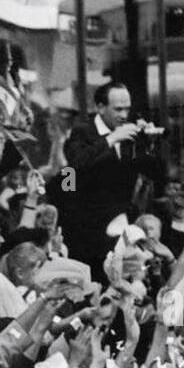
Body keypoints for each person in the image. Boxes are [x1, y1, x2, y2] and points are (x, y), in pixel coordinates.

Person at [62, 81, 159, 277]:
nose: (124, 115)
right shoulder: (83, 132)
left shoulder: (128, 134)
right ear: (100, 107)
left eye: (127, 109)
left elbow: (153, 173)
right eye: (118, 109)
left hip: (121, 225)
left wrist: (148, 144)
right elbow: (76, 165)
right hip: (89, 231)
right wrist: (111, 138)